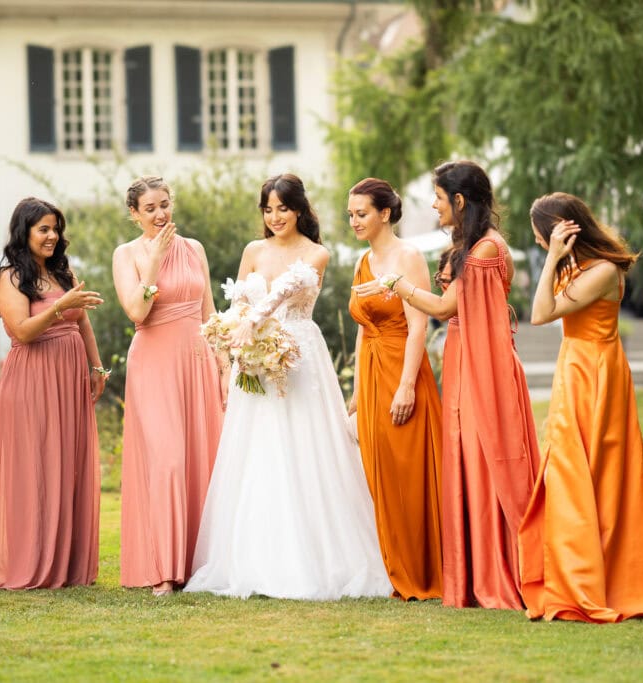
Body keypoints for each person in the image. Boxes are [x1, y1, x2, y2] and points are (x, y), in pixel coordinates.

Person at [184, 173, 392, 600]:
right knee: (256, 452)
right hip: (253, 358)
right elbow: (238, 301)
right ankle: (252, 557)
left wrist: (253, 324)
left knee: (306, 452)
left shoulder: (317, 253)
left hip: (297, 355)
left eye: (282, 208)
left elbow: (284, 291)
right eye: (268, 209)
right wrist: (236, 333)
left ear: (299, 209)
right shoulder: (253, 250)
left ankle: (316, 557)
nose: (275, 217)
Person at [353, 160, 540, 610]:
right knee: (466, 461)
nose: (433, 206)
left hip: (483, 360)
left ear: (458, 200)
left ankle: (507, 567)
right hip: (465, 356)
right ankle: (475, 569)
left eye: (438, 198)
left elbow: (443, 307)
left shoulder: (485, 251)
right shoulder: (471, 247)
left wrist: (396, 285)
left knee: (488, 458)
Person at [518, 192, 643, 622]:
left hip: (595, 373)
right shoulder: (580, 269)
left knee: (598, 472)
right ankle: (576, 567)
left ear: (564, 231)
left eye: (543, 236)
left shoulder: (602, 271)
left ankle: (597, 577)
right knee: (573, 469)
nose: (541, 244)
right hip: (577, 368)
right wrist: (557, 260)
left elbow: (540, 314)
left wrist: (551, 260)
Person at [0, 197, 106, 591]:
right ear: (25, 232)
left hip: (69, 377)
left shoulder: (62, 271)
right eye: (44, 229)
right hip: (33, 379)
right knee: (37, 467)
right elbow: (21, 331)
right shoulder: (11, 277)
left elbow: (82, 321)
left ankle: (67, 565)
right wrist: (58, 308)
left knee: (67, 464)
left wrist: (96, 366)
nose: (53, 236)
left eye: (55, 229)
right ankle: (32, 562)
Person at [114, 176, 225, 596]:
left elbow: (209, 310)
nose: (160, 214)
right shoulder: (126, 254)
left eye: (165, 205)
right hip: (154, 364)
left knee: (203, 460)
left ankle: (201, 566)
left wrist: (224, 367)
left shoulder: (195, 248)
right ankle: (163, 568)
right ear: (134, 214)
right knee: (168, 461)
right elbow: (137, 312)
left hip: (196, 361)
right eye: (150, 209)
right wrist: (156, 258)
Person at [345, 177, 443, 601]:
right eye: (350, 215)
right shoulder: (361, 262)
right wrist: (354, 387)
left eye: (361, 213)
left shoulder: (409, 256)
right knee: (376, 469)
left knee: (407, 468)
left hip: (401, 369)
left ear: (385, 213)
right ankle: (388, 563)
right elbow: (363, 329)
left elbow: (420, 325)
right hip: (369, 370)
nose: (354, 221)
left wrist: (406, 386)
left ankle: (420, 567)